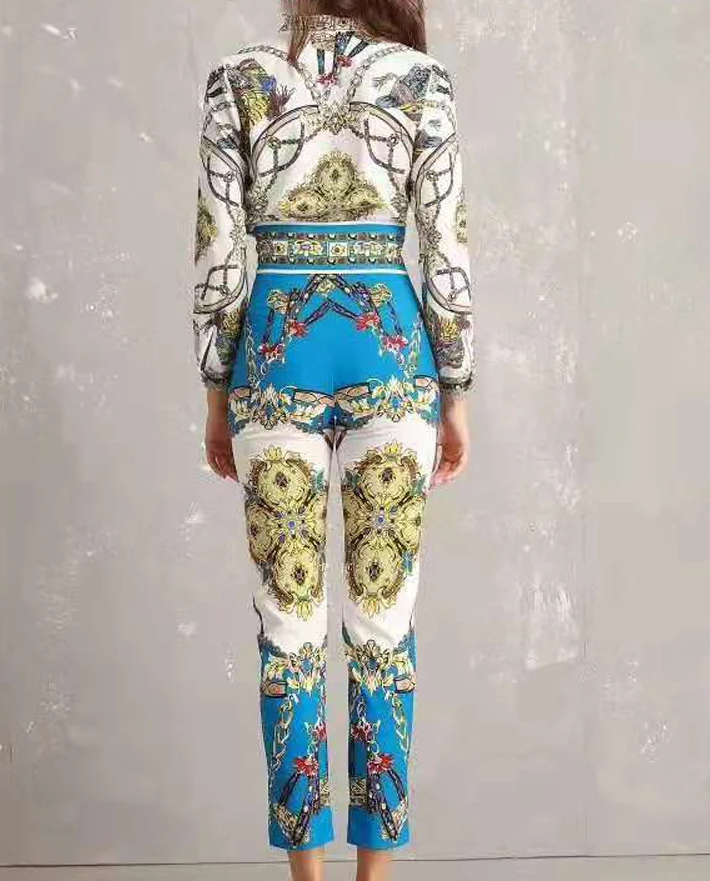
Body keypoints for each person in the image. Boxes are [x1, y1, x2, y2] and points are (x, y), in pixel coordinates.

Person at [192, 1, 473, 878]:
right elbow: (447, 252)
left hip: (276, 359)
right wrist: (455, 390)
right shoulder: (422, 83)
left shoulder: (238, 81)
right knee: (384, 626)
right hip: (391, 353)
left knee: (288, 630)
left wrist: (216, 388)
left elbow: (218, 254)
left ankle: (306, 878)